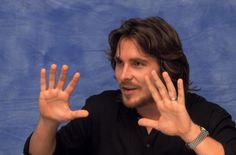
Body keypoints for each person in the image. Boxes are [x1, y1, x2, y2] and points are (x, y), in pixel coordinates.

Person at [24, 16, 236, 155]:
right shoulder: (99, 109)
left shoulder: (210, 116)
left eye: (137, 64)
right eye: (119, 63)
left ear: (167, 67)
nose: (123, 75)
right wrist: (48, 122)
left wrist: (190, 132)